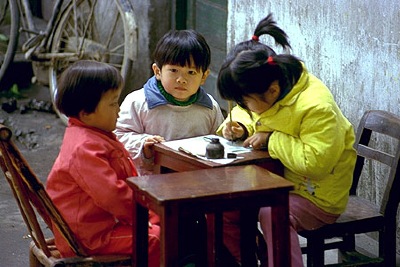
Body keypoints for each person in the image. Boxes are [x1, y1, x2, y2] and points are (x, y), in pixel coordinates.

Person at [216, 14, 357, 267]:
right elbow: (247, 112)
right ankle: (246, 261)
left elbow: (316, 162)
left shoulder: (316, 107)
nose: (242, 106)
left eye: (244, 100)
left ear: (271, 91)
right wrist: (240, 127)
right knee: (221, 207)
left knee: (273, 214)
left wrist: (271, 139)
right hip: (274, 181)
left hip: (316, 196)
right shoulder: (268, 89)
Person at [46, 60, 160, 267]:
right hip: (91, 238)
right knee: (155, 238)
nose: (118, 110)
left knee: (163, 221)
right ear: (86, 113)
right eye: (113, 103)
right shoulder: (84, 147)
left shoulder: (92, 134)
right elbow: (113, 195)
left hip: (96, 225)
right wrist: (145, 216)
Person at [115, 29, 224, 174]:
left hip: (195, 183)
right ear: (157, 71)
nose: (181, 79)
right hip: (150, 183)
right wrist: (143, 144)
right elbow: (118, 136)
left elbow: (219, 140)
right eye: (173, 70)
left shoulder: (209, 107)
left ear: (204, 76)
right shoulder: (138, 102)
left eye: (191, 72)